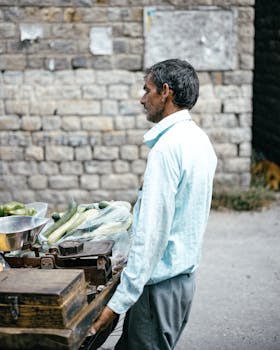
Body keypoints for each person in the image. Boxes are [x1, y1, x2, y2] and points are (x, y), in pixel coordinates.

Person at [91, 58, 217, 349]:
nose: (141, 98)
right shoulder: (200, 140)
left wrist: (119, 302)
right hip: (180, 286)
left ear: (165, 91)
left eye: (146, 90)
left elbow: (152, 235)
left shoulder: (167, 149)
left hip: (156, 290)